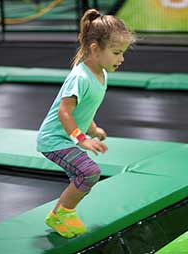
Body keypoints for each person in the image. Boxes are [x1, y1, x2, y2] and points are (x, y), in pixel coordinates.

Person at [36, 9, 134, 238]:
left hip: (66, 137)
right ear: (94, 49)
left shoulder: (101, 73)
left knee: (85, 174)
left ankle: (61, 213)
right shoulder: (80, 78)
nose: (121, 59)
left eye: (123, 53)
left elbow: (84, 111)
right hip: (53, 140)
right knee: (89, 171)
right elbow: (64, 113)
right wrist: (83, 139)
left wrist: (93, 129)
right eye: (117, 52)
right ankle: (61, 213)